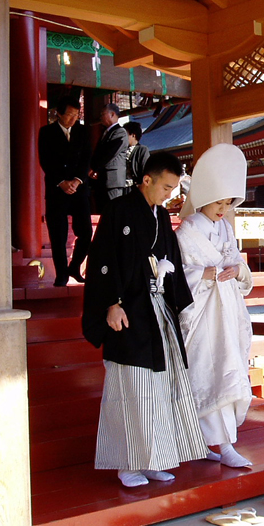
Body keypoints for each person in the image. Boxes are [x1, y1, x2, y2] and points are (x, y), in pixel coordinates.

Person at [82, 151, 209, 487]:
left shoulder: (162, 218)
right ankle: (128, 462)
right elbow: (102, 261)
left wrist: (174, 292)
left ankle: (155, 457)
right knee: (132, 385)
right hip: (128, 311)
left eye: (174, 189)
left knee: (160, 387)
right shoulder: (119, 209)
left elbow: (172, 261)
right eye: (166, 187)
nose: (170, 195)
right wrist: (111, 303)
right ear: (147, 180)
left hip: (156, 311)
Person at [176, 144, 254, 468]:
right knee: (210, 374)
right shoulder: (188, 230)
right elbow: (179, 273)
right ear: (204, 197)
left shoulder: (225, 227)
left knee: (228, 371)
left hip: (228, 313)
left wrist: (237, 270)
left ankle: (216, 442)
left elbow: (236, 262)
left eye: (228, 202)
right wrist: (203, 274)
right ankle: (222, 445)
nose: (223, 208)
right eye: (219, 201)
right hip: (203, 314)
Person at [37, 96, 92, 286]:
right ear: (58, 113)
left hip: (79, 188)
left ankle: (75, 266)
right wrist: (61, 182)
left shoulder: (83, 132)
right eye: (69, 115)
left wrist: (77, 181)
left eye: (76, 115)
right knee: (58, 234)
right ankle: (62, 274)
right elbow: (46, 160)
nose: (72, 119)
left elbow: (86, 159)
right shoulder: (46, 132)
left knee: (85, 232)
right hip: (56, 189)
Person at [89, 103, 128, 210]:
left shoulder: (120, 132)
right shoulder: (106, 132)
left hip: (113, 181)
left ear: (112, 114)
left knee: (113, 210)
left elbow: (109, 153)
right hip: (102, 179)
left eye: (103, 114)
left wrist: (94, 168)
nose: (100, 117)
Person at [124, 121, 150, 189]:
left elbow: (145, 169)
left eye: (125, 135)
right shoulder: (121, 149)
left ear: (133, 135)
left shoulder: (142, 150)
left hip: (133, 186)